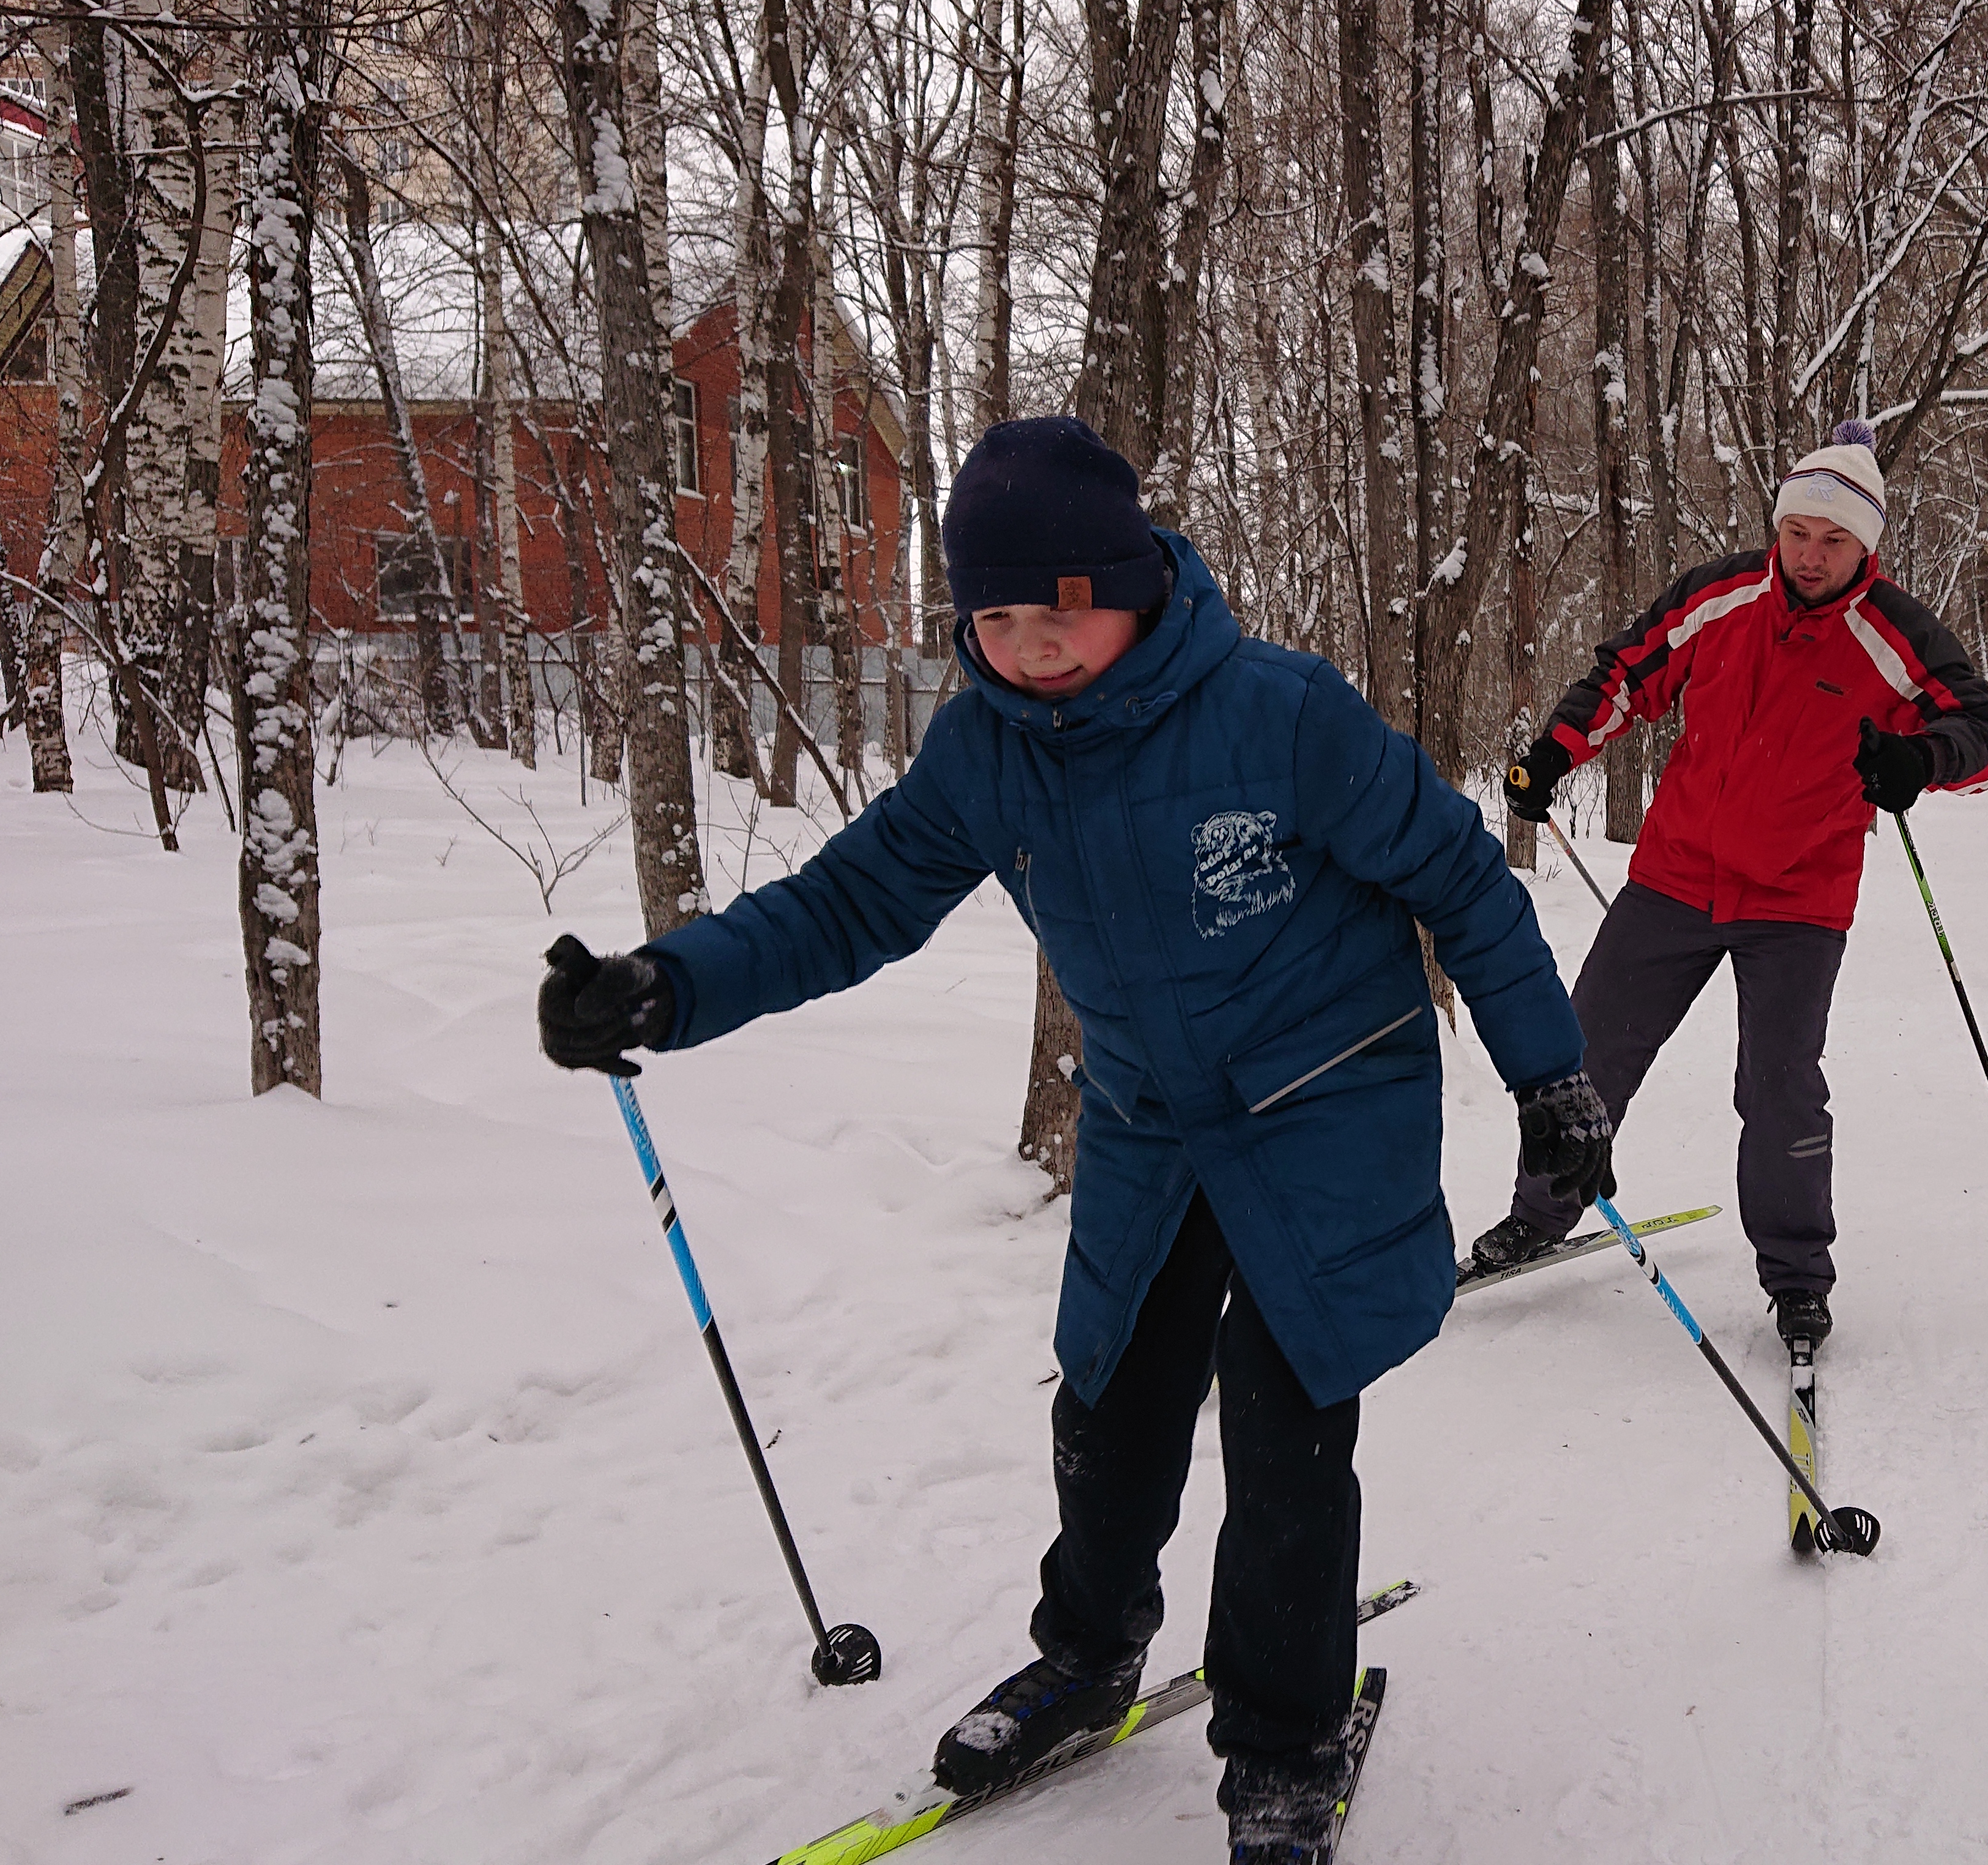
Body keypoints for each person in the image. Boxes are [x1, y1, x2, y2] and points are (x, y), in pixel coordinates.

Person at [534, 416, 1614, 1863]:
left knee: (1287, 1428)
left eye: (1063, 610)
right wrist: (667, 987)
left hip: (1325, 1105)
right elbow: (851, 902)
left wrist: (1552, 1079)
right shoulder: (985, 750)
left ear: (1133, 588)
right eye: (996, 616)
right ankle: (1092, 1648)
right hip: (1150, 1120)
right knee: (1106, 1402)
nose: (1033, 644)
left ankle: (1285, 1740)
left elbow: (1465, 883)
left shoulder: (1282, 715)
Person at [1478, 420, 1988, 1351]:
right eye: (1799, 532)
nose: (1810, 555)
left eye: (1834, 540)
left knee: (1778, 1087)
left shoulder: (1895, 635)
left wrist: (1917, 759)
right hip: (1677, 873)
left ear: (1867, 546)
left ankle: (1799, 1278)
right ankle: (1540, 1212)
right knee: (1582, 1050)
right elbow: (1629, 672)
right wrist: (1553, 756)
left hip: (1799, 900)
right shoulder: (1721, 596)